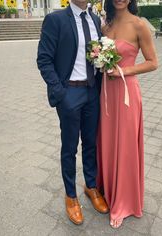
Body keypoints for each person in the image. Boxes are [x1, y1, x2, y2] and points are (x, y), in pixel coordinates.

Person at [37, 0, 109, 226]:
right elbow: (44, 59)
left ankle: (91, 186)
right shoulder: (56, 20)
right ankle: (70, 196)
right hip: (69, 93)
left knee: (90, 143)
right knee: (69, 148)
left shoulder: (95, 20)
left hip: (91, 92)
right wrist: (60, 91)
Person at [96, 0, 158, 228]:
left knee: (125, 144)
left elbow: (153, 63)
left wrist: (124, 70)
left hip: (126, 94)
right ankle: (106, 188)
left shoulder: (139, 25)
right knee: (107, 140)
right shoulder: (105, 25)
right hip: (105, 92)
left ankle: (123, 201)